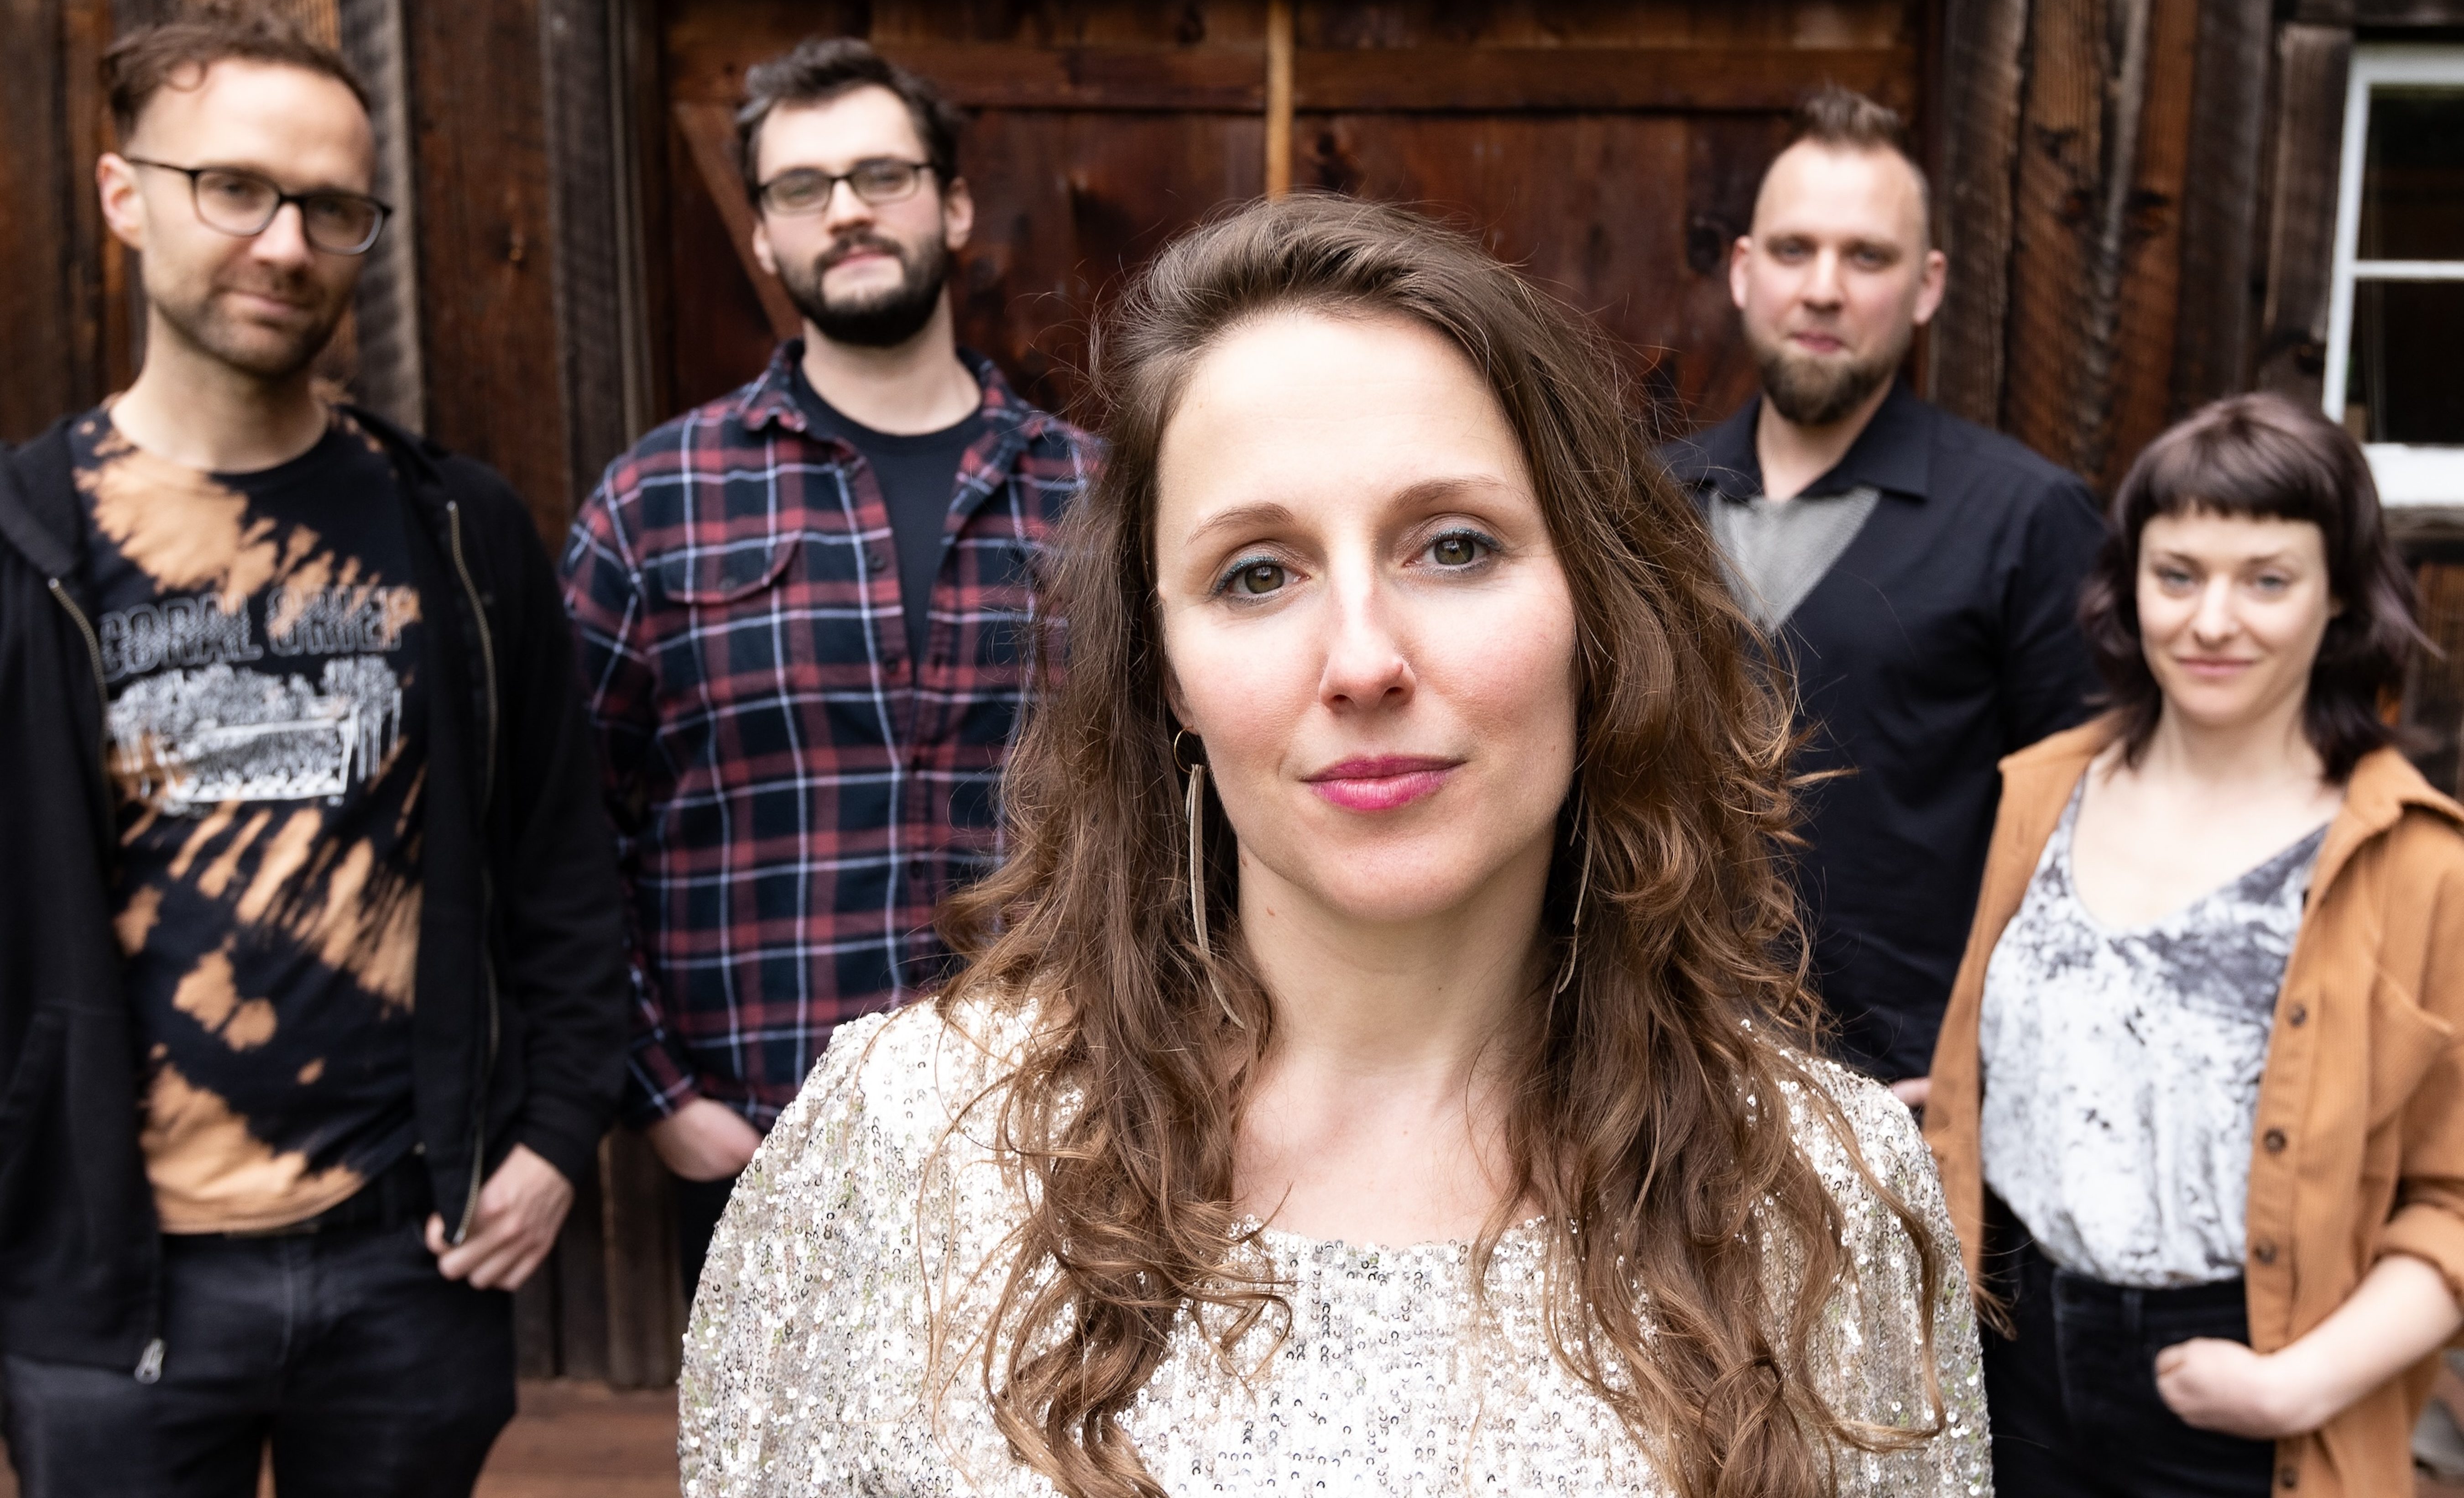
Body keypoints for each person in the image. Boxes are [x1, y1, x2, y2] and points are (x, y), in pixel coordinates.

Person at [675, 197, 1985, 1496]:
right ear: (1166, 670)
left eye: (1454, 547)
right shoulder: (905, 1149)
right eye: (1258, 571)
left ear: (1598, 606)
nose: (1363, 660)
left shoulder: (1821, 1192)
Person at [0, 2, 627, 1498]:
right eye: (235, 187)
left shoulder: (459, 532)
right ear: (124, 194)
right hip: (111, 1283)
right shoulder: (25, 545)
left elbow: (561, 860)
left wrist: (555, 1134)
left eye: (330, 207)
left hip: (406, 1260)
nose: (285, 244)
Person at [560, 37, 1093, 1294]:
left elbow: (1190, 796)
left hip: (1058, 1139)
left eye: (881, 175)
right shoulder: (658, 502)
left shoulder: (1099, 496)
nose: (847, 209)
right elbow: (567, 829)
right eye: (804, 187)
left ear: (951, 206)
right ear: (763, 234)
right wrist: (663, 1095)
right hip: (761, 1147)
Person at [1924, 394, 2464, 1498]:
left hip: (2241, 1379)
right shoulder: (2045, 790)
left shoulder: (2415, 861)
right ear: (2129, 584)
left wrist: (2297, 1387)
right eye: (2178, 574)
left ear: (2339, 594)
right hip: (2009, 1342)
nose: (2214, 619)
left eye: (2266, 579)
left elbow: (2454, 1198)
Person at [1663, 86, 2105, 1099]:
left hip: (1902, 1101)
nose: (1824, 289)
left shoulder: (2026, 518)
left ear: (1926, 286)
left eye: (1867, 257)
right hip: (1661, 1083)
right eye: (1794, 250)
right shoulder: (1647, 502)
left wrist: (1983, 1067)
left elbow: (2089, 837)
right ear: (1744, 270)